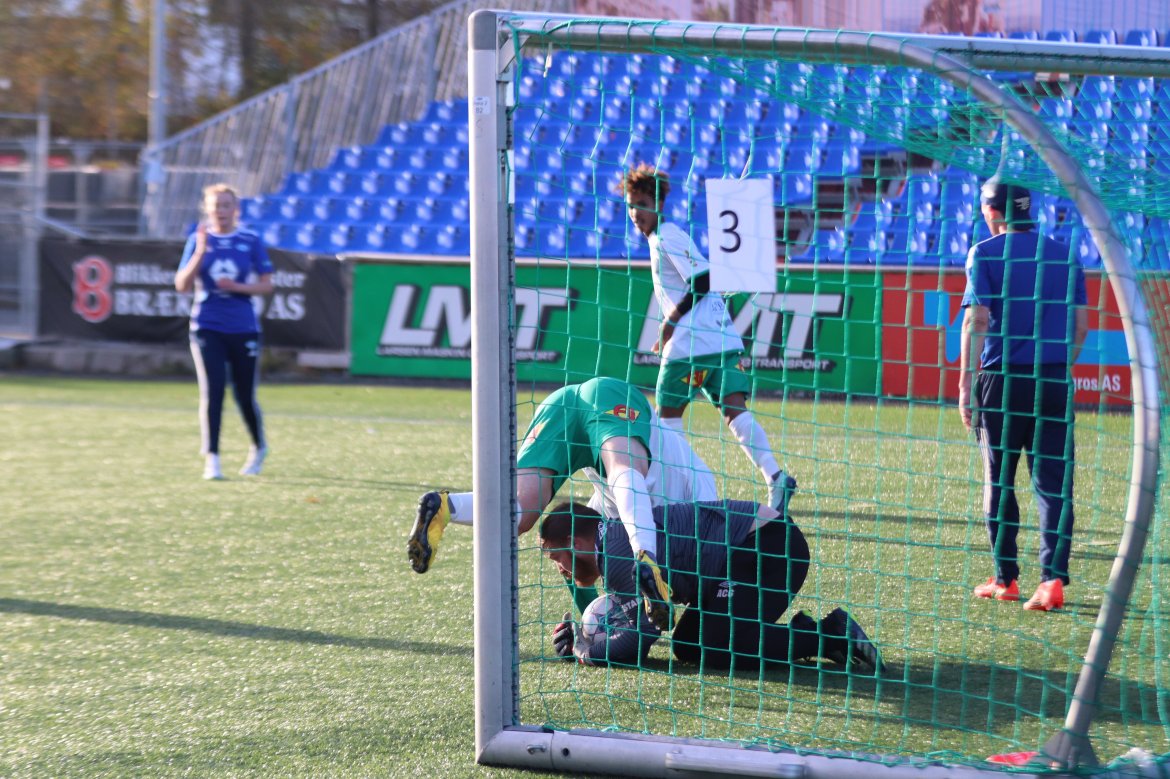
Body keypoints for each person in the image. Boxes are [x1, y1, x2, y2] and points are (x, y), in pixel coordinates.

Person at [408, 376, 717, 628]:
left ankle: (448, 507)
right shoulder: (699, 517)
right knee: (623, 469)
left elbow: (575, 553)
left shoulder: (602, 523)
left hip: (562, 404)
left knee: (520, 511)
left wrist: (587, 629)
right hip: (609, 396)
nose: (561, 569)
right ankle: (645, 554)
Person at [618, 164, 796, 516]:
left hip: (691, 345)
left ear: (658, 203)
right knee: (735, 412)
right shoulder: (663, 237)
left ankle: (678, 495)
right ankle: (775, 477)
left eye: (641, 204)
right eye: (630, 205)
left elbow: (702, 279)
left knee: (666, 420)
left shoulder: (667, 235)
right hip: (722, 340)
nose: (635, 212)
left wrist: (670, 322)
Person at [540, 499, 885, 675]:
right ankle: (802, 630)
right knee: (689, 644)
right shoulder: (615, 538)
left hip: (769, 547)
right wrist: (582, 637)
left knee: (719, 644)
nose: (561, 569)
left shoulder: (616, 556)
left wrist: (584, 650)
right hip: (747, 551)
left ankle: (831, 632)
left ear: (575, 543)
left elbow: (638, 641)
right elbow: (635, 631)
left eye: (557, 557)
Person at [958, 177, 1088, 612]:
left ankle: (1006, 578)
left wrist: (965, 385)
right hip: (1052, 379)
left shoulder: (984, 253)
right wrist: (1055, 366)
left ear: (992, 211)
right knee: (1053, 484)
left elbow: (977, 320)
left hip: (1001, 381)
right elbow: (1081, 327)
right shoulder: (1065, 254)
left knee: (998, 479)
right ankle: (1052, 581)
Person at [175, 183, 275, 480]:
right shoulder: (197, 239)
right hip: (207, 326)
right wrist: (200, 252)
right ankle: (213, 459)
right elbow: (181, 285)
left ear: (236, 209)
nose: (221, 211)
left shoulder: (250, 240)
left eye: (226, 205)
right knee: (213, 391)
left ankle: (258, 446)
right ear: (207, 209)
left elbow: (267, 285)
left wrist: (238, 287)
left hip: (244, 327)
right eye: (215, 206)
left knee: (244, 395)